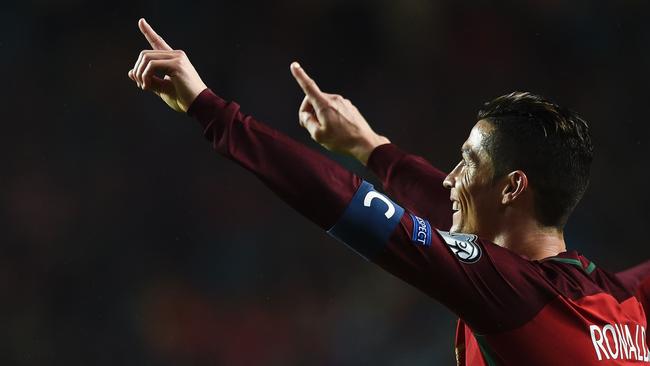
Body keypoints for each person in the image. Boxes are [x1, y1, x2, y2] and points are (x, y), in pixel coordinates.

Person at [128, 18, 649, 365]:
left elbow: (352, 206)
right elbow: (446, 210)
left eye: (467, 162)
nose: (449, 177)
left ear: (513, 187)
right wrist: (369, 145)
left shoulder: (507, 292)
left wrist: (212, 111)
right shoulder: (619, 300)